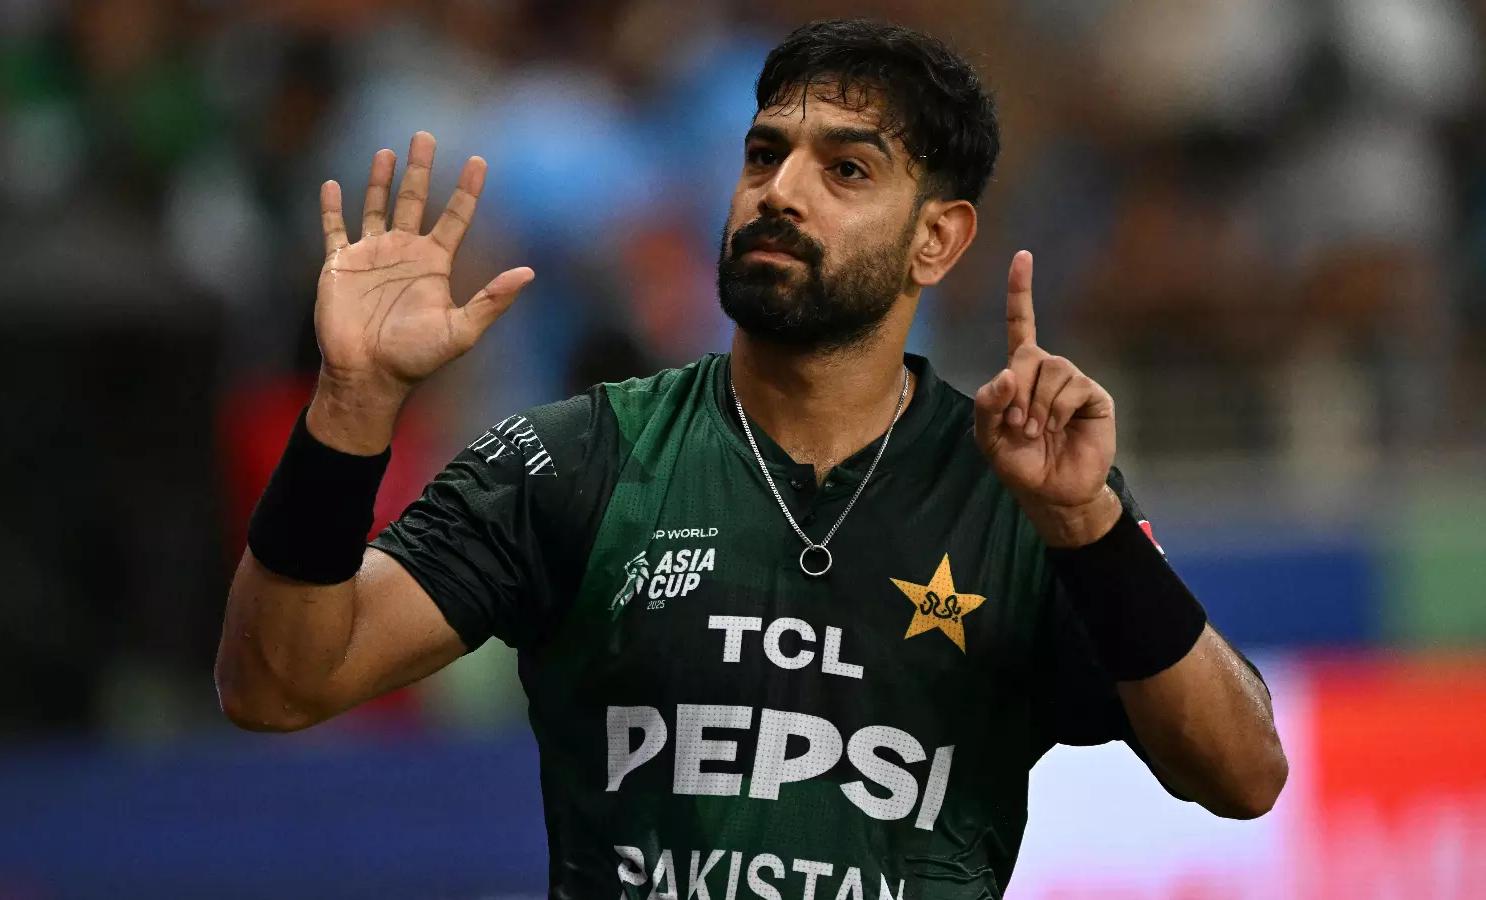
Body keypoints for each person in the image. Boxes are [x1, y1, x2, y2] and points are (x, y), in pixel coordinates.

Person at [217, 19, 1287, 899]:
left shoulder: (1025, 496)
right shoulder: (581, 460)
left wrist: (1088, 526)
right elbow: (277, 685)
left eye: (846, 169)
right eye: (765, 154)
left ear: (938, 240)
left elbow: (1244, 775)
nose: (780, 191)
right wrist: (354, 403)